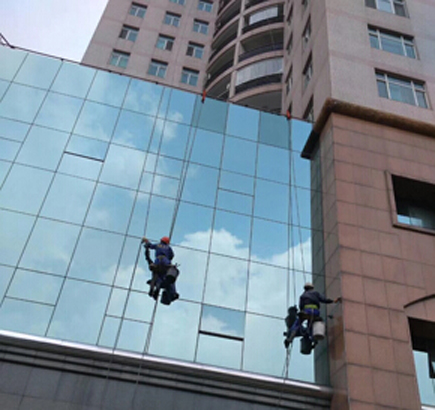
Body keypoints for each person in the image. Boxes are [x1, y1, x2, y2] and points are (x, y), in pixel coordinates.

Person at [284, 283, 341, 349]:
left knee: (297, 323)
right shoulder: (316, 293)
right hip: (315, 312)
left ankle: (290, 338)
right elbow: (324, 300)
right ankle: (314, 341)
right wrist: (333, 301)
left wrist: (302, 313)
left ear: (305, 289)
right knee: (311, 326)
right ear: (312, 288)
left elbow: (301, 307)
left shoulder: (302, 296)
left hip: (307, 311)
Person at [142, 237, 179, 303]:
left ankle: (155, 288)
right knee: (169, 276)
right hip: (166, 262)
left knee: (157, 273)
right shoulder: (168, 248)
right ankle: (172, 293)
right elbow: (172, 255)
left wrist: (146, 242)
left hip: (158, 261)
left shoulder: (158, 245)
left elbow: (150, 245)